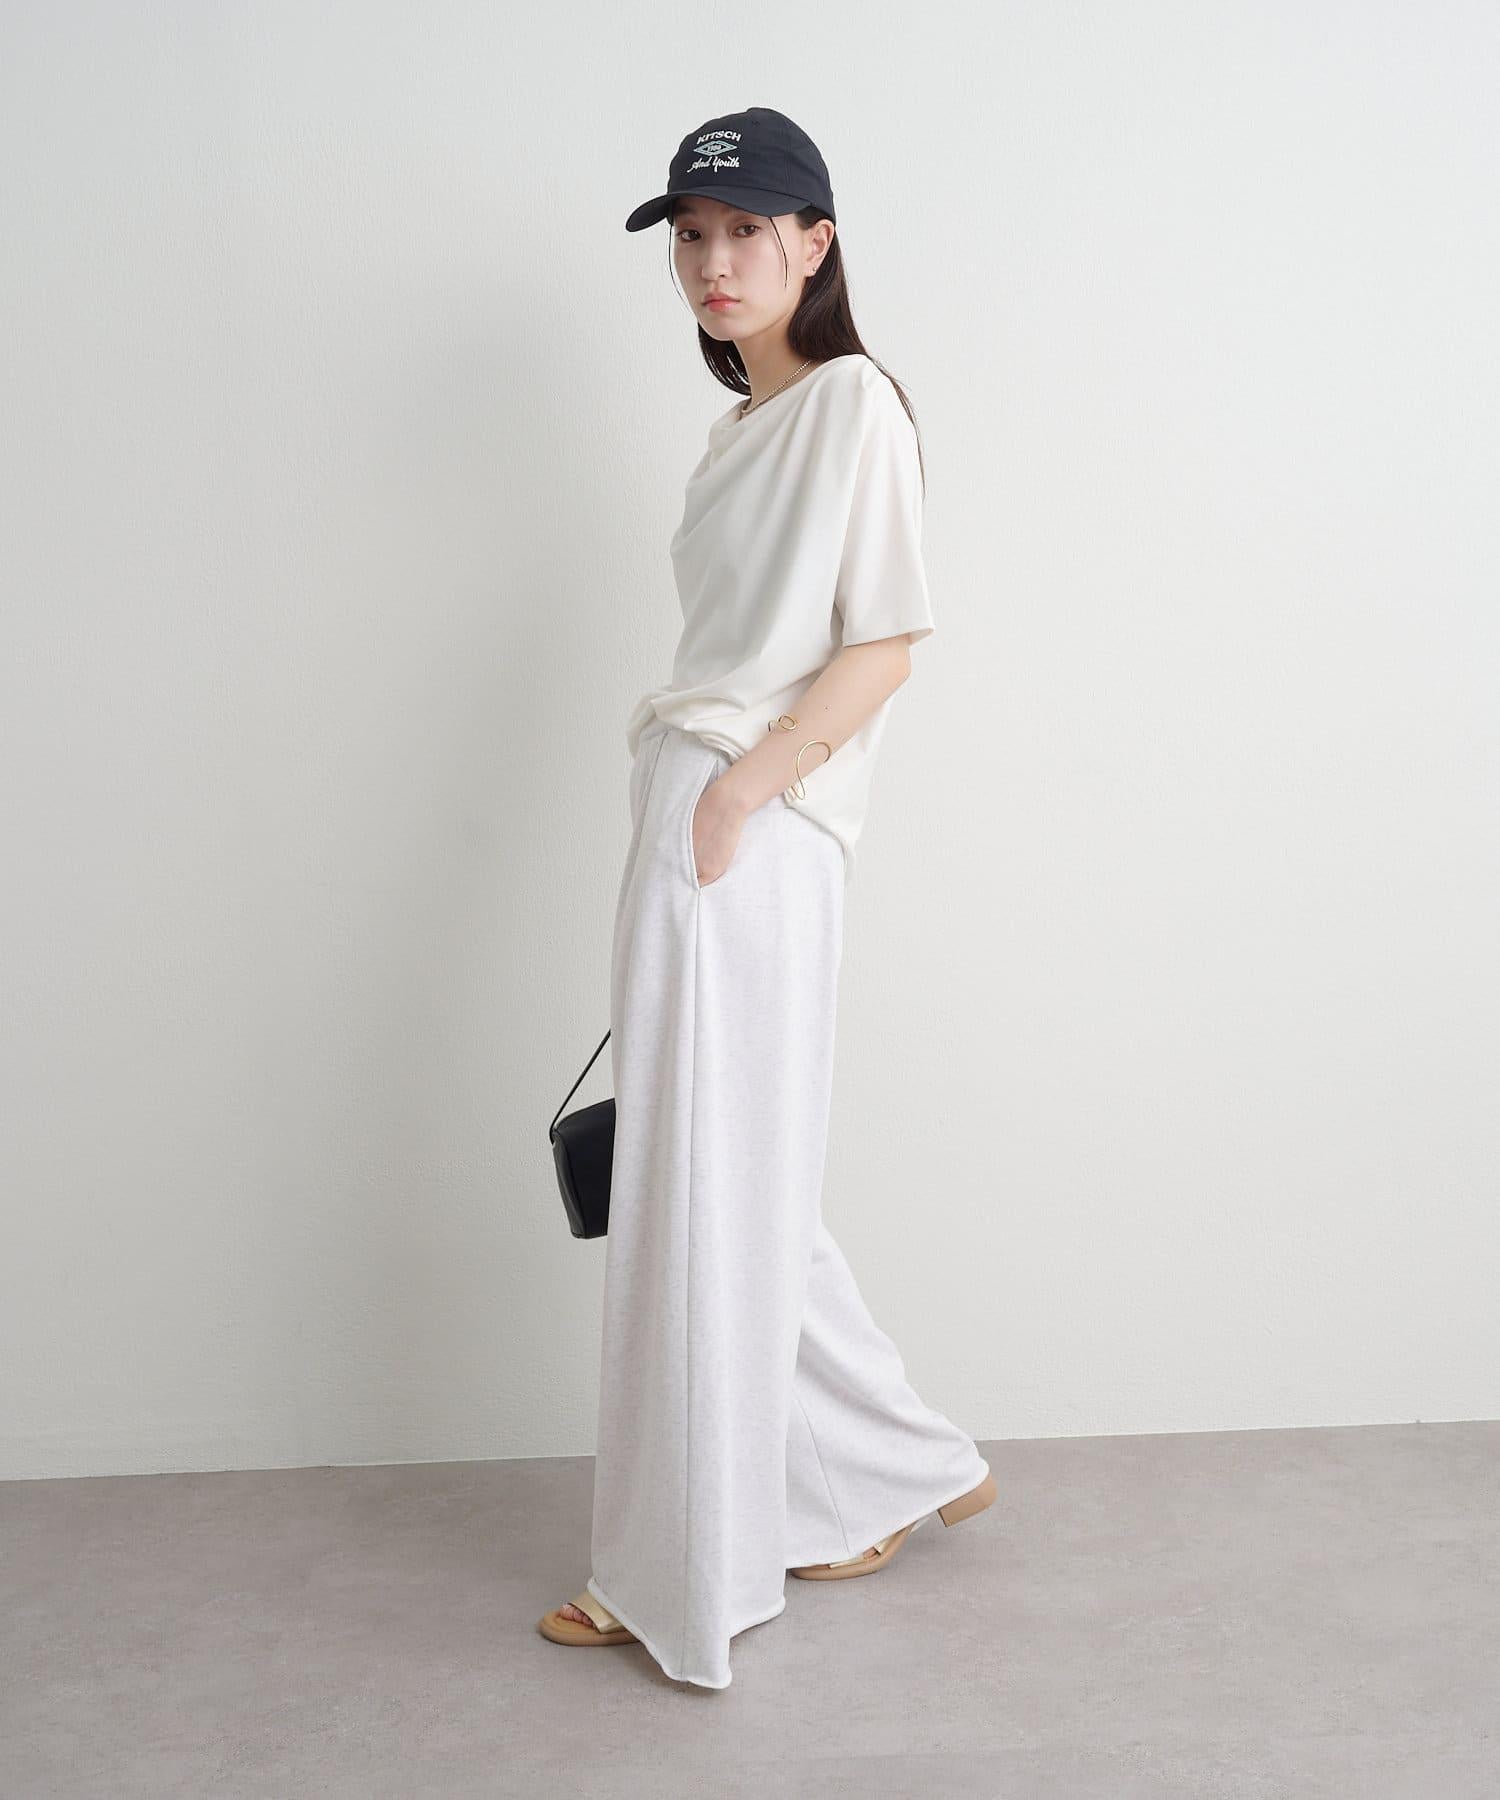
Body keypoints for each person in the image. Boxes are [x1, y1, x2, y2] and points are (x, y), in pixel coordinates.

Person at [537, 107, 995, 1689]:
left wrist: (742, 791)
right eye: (691, 235)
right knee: (730, 1180)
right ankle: (889, 1468)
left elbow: (886, 641)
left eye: (746, 230)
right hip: (698, 806)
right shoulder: (741, 430)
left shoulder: (853, 402)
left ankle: (679, 1573)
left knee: (699, 1194)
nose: (713, 262)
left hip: (747, 816)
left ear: (816, 243)